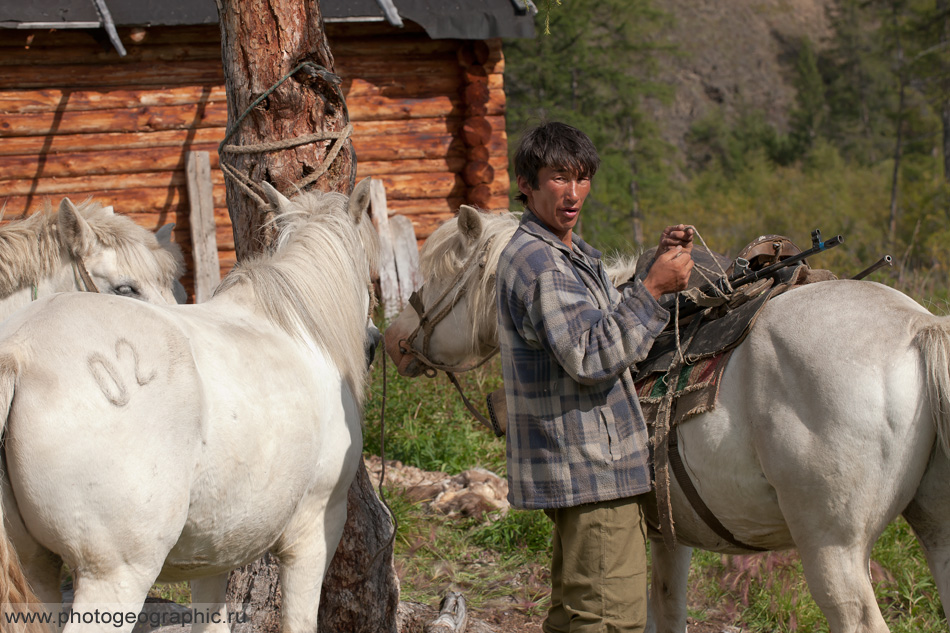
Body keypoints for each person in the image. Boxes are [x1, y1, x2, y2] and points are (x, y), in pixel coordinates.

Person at [496, 121, 694, 633]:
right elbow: (591, 354)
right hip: (590, 470)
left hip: (586, 467)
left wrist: (652, 264)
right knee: (609, 620)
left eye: (582, 179)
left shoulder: (564, 251)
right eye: (559, 178)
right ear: (526, 182)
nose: (573, 193)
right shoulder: (543, 264)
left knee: (576, 615)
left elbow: (597, 321)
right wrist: (651, 289)